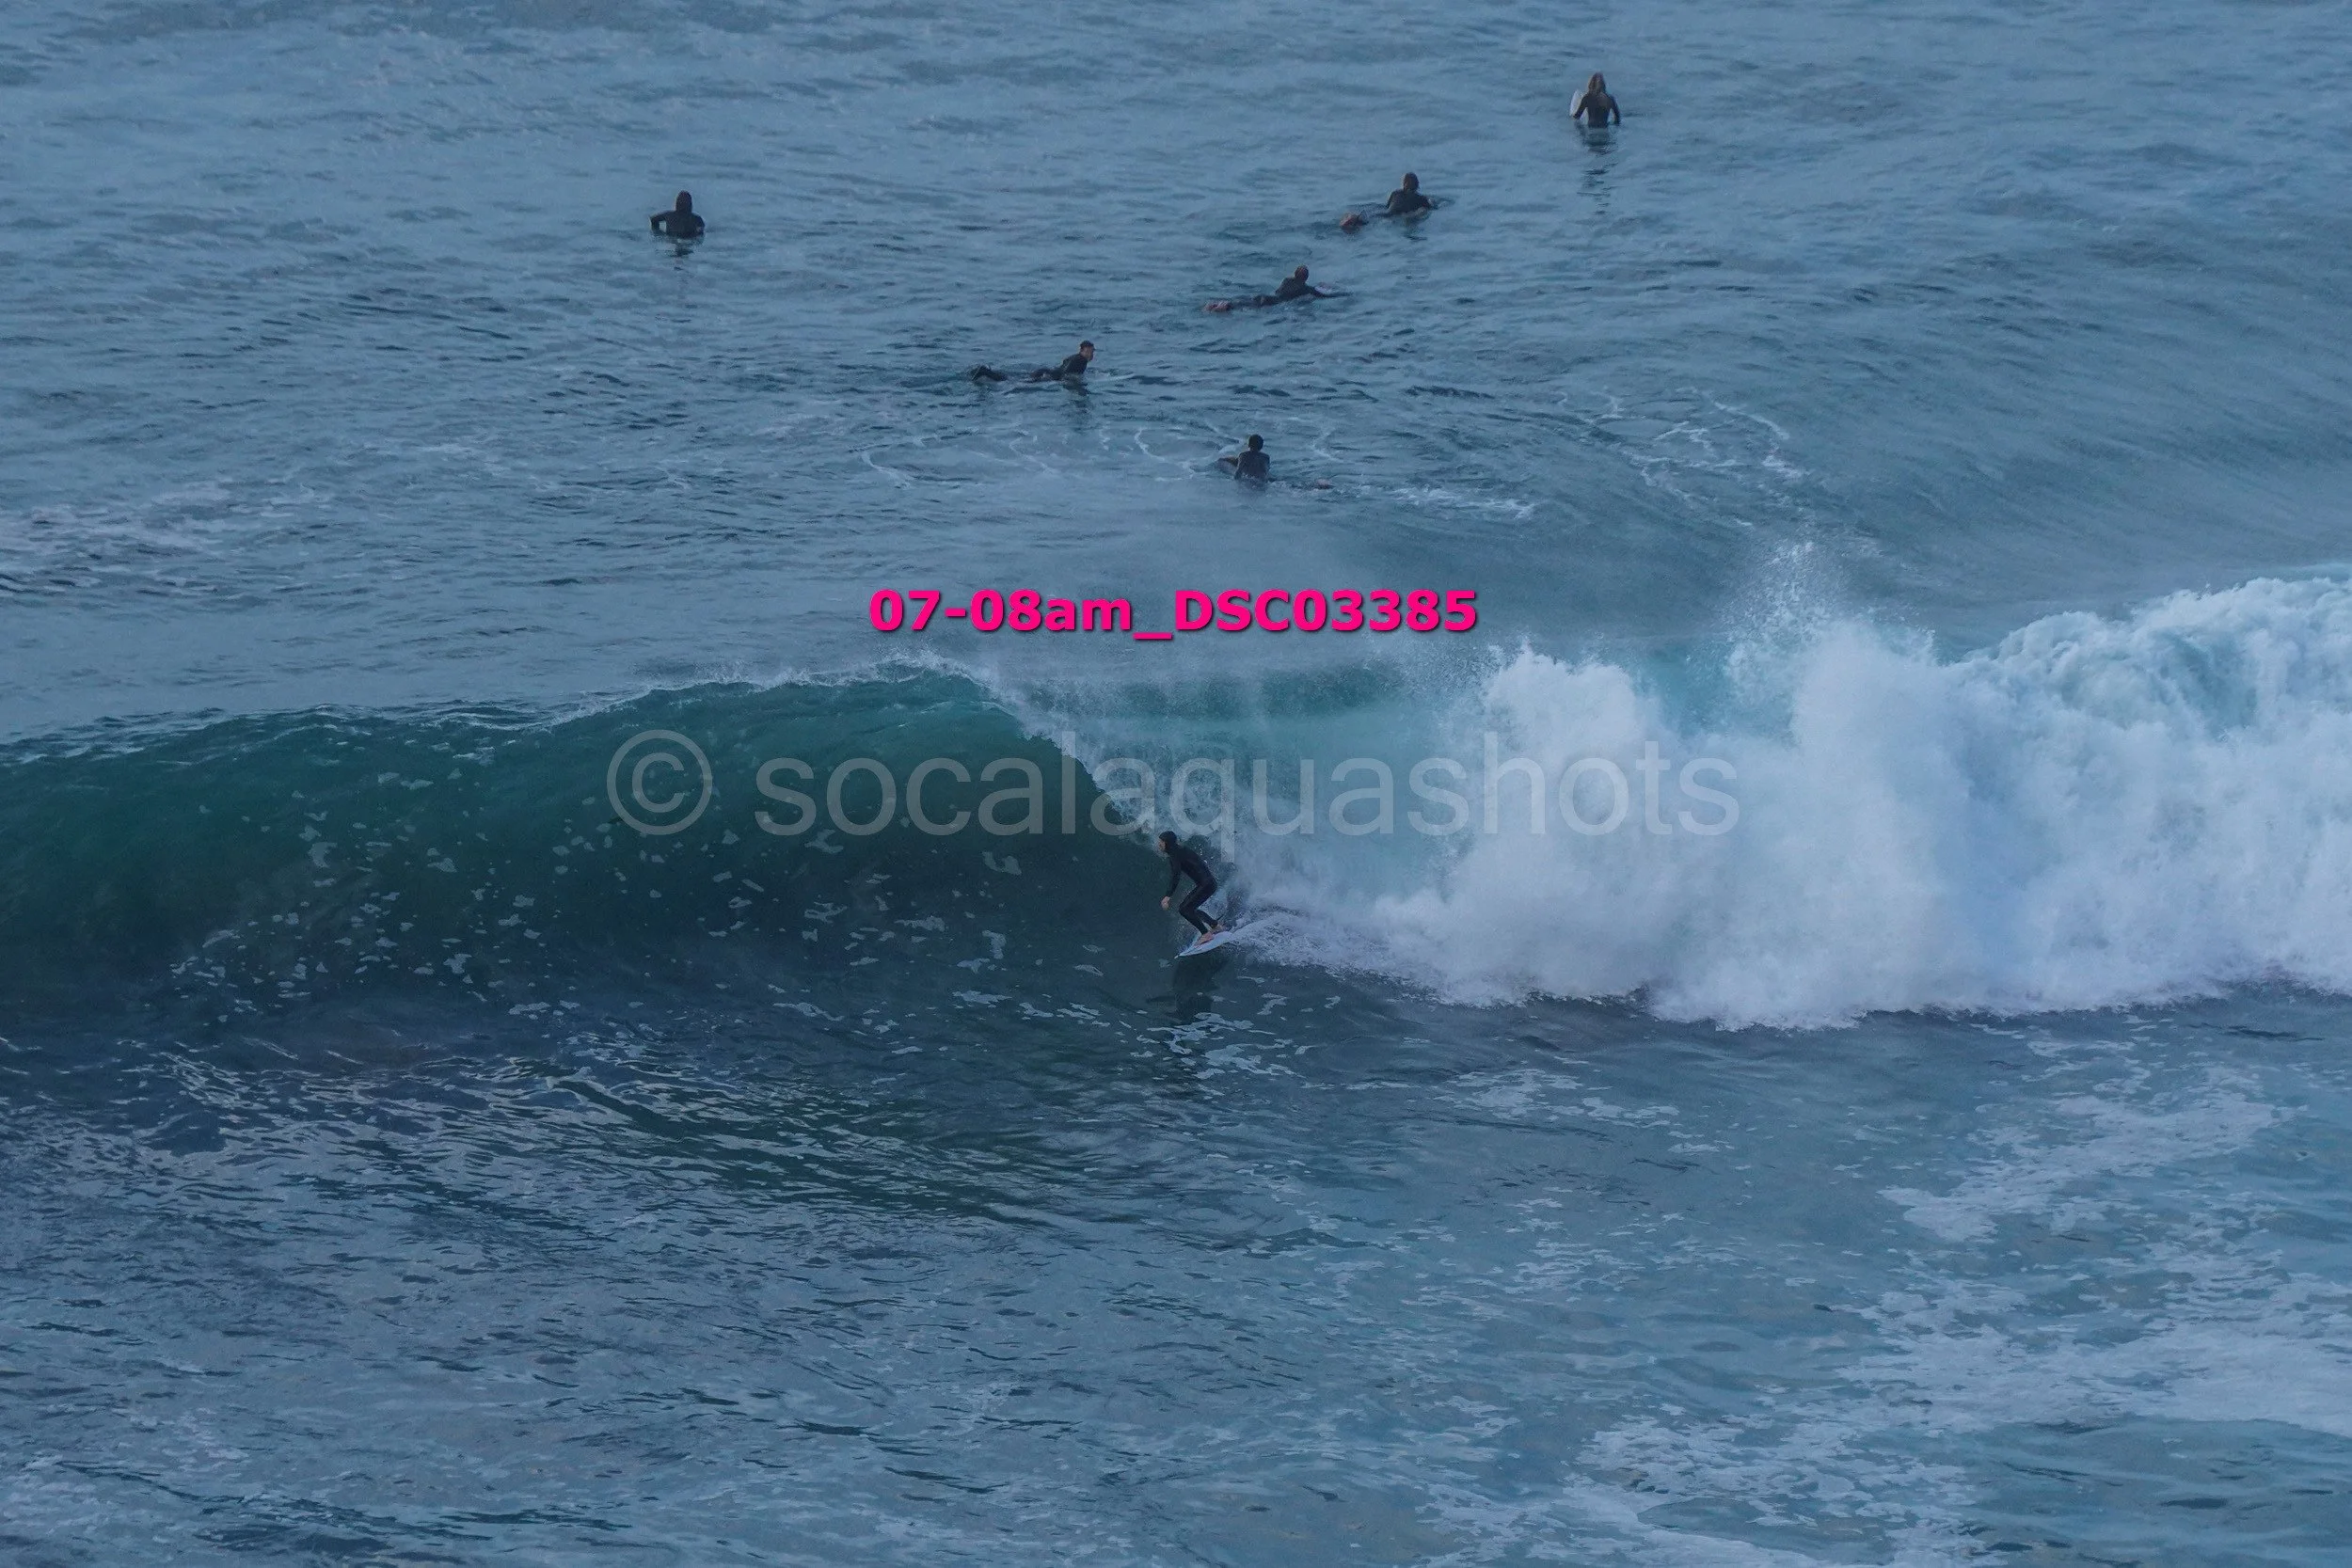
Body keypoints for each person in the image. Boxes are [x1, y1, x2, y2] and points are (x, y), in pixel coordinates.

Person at [1159, 831, 1225, 942]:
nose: (1159, 844)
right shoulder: (1181, 850)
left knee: (1184, 910)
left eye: (1161, 841)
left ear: (1167, 843)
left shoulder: (1174, 855)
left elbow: (1176, 875)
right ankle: (1215, 925)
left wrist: (1167, 896)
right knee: (1190, 909)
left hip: (1206, 885)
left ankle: (1206, 935)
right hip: (1209, 884)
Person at [1206, 266, 1333, 312]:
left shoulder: (1287, 280)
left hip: (1266, 296)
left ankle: (1219, 304)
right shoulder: (1306, 289)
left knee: (1246, 302)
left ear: (1294, 273)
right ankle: (1226, 307)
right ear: (1306, 278)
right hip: (1274, 303)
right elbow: (1325, 296)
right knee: (1248, 307)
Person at [972, 341, 1094, 383]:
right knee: (1010, 381)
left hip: (1046, 372)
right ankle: (985, 372)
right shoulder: (1081, 361)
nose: (1091, 354)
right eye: (1088, 351)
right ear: (1082, 351)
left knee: (1013, 378)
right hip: (1047, 376)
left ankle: (986, 371)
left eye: (1092, 351)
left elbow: (1064, 364)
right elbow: (1066, 373)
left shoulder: (1074, 357)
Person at [1342, 173, 1431, 230]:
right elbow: (1431, 208)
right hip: (1398, 216)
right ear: (1417, 185)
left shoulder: (1396, 193)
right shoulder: (1421, 199)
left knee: (1373, 217)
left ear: (1403, 184)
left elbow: (1387, 206)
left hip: (1386, 213)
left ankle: (1355, 219)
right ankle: (1357, 221)